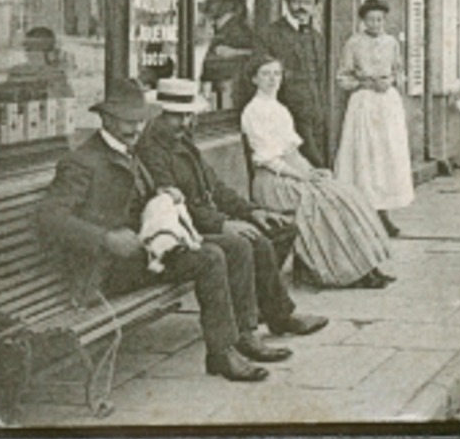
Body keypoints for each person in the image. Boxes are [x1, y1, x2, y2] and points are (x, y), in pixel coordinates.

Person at [37, 83, 288, 382]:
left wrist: (162, 193)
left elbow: (134, 198)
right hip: (107, 269)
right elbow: (49, 217)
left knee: (236, 246)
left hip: (145, 251)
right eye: (127, 121)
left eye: (139, 120)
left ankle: (245, 335)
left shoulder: (128, 151)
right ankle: (221, 354)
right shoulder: (82, 161)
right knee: (209, 257)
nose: (135, 128)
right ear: (106, 120)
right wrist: (105, 238)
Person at [136, 78, 328, 339]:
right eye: (176, 117)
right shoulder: (152, 150)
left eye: (188, 116)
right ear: (160, 114)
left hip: (205, 218)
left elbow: (215, 186)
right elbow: (174, 206)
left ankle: (269, 309)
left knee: (282, 229)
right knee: (252, 242)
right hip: (182, 229)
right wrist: (222, 224)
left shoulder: (182, 141)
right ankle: (259, 321)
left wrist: (251, 211)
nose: (184, 123)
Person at [241, 54, 396, 290]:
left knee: (345, 192)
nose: (273, 79)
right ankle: (346, 271)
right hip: (273, 181)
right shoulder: (253, 111)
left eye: (276, 74)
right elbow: (269, 160)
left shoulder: (279, 108)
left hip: (292, 172)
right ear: (254, 79)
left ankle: (364, 268)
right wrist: (303, 176)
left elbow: (292, 152)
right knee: (326, 200)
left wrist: (313, 171)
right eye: (265, 74)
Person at [334, 0, 414, 238]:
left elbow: (400, 71)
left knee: (386, 155)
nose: (375, 23)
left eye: (379, 19)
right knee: (366, 155)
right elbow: (342, 77)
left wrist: (391, 81)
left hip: (387, 104)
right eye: (370, 19)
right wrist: (363, 82)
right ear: (363, 20)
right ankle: (365, 212)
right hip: (364, 102)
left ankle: (384, 211)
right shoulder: (354, 43)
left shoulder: (391, 43)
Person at [255, 0, 332, 167]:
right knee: (305, 164)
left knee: (317, 162)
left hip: (316, 113)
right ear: (288, 4)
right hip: (286, 113)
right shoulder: (271, 34)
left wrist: (322, 109)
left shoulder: (317, 37)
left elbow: (322, 77)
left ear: (314, 7)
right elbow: (260, 73)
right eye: (297, 2)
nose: (301, 7)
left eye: (307, 3)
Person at [199, 0, 256, 109]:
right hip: (219, 94)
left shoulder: (238, 30)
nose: (207, 6)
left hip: (229, 95)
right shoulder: (219, 28)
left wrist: (235, 52)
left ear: (228, 5)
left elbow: (257, 54)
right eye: (207, 1)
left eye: (212, 1)